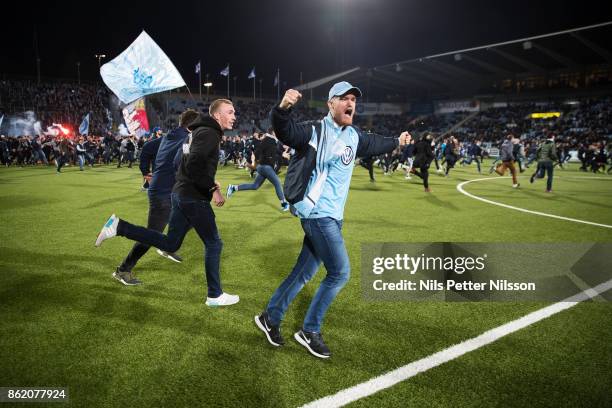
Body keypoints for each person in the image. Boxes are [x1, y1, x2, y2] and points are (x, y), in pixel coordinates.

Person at [254, 82, 411, 358]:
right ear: (330, 104)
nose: (351, 103)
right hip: (318, 215)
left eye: (353, 99)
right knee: (340, 273)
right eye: (344, 99)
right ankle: (309, 330)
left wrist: (397, 141)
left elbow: (375, 143)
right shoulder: (315, 131)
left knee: (302, 273)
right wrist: (282, 109)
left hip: (332, 218)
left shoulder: (354, 135)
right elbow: (286, 131)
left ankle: (270, 317)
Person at [95, 100, 239, 307]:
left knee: (171, 243)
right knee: (214, 243)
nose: (235, 116)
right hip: (190, 196)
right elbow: (193, 162)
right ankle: (214, 295)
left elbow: (178, 162)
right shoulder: (209, 133)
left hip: (178, 193)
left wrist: (192, 180)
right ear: (217, 116)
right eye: (230, 112)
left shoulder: (191, 134)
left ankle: (120, 227)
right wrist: (211, 188)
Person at [112, 110, 198, 285]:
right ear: (192, 127)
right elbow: (181, 163)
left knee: (195, 216)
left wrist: (146, 171)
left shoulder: (169, 136)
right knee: (152, 234)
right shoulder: (186, 139)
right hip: (163, 193)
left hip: (168, 191)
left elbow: (147, 149)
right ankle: (123, 269)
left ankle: (168, 246)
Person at [226, 131, 290, 211]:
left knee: (255, 186)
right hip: (266, 167)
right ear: (273, 133)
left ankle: (233, 188)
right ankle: (284, 204)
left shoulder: (271, 140)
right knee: (277, 184)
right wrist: (253, 158)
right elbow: (261, 149)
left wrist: (282, 154)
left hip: (262, 167)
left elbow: (273, 150)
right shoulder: (269, 139)